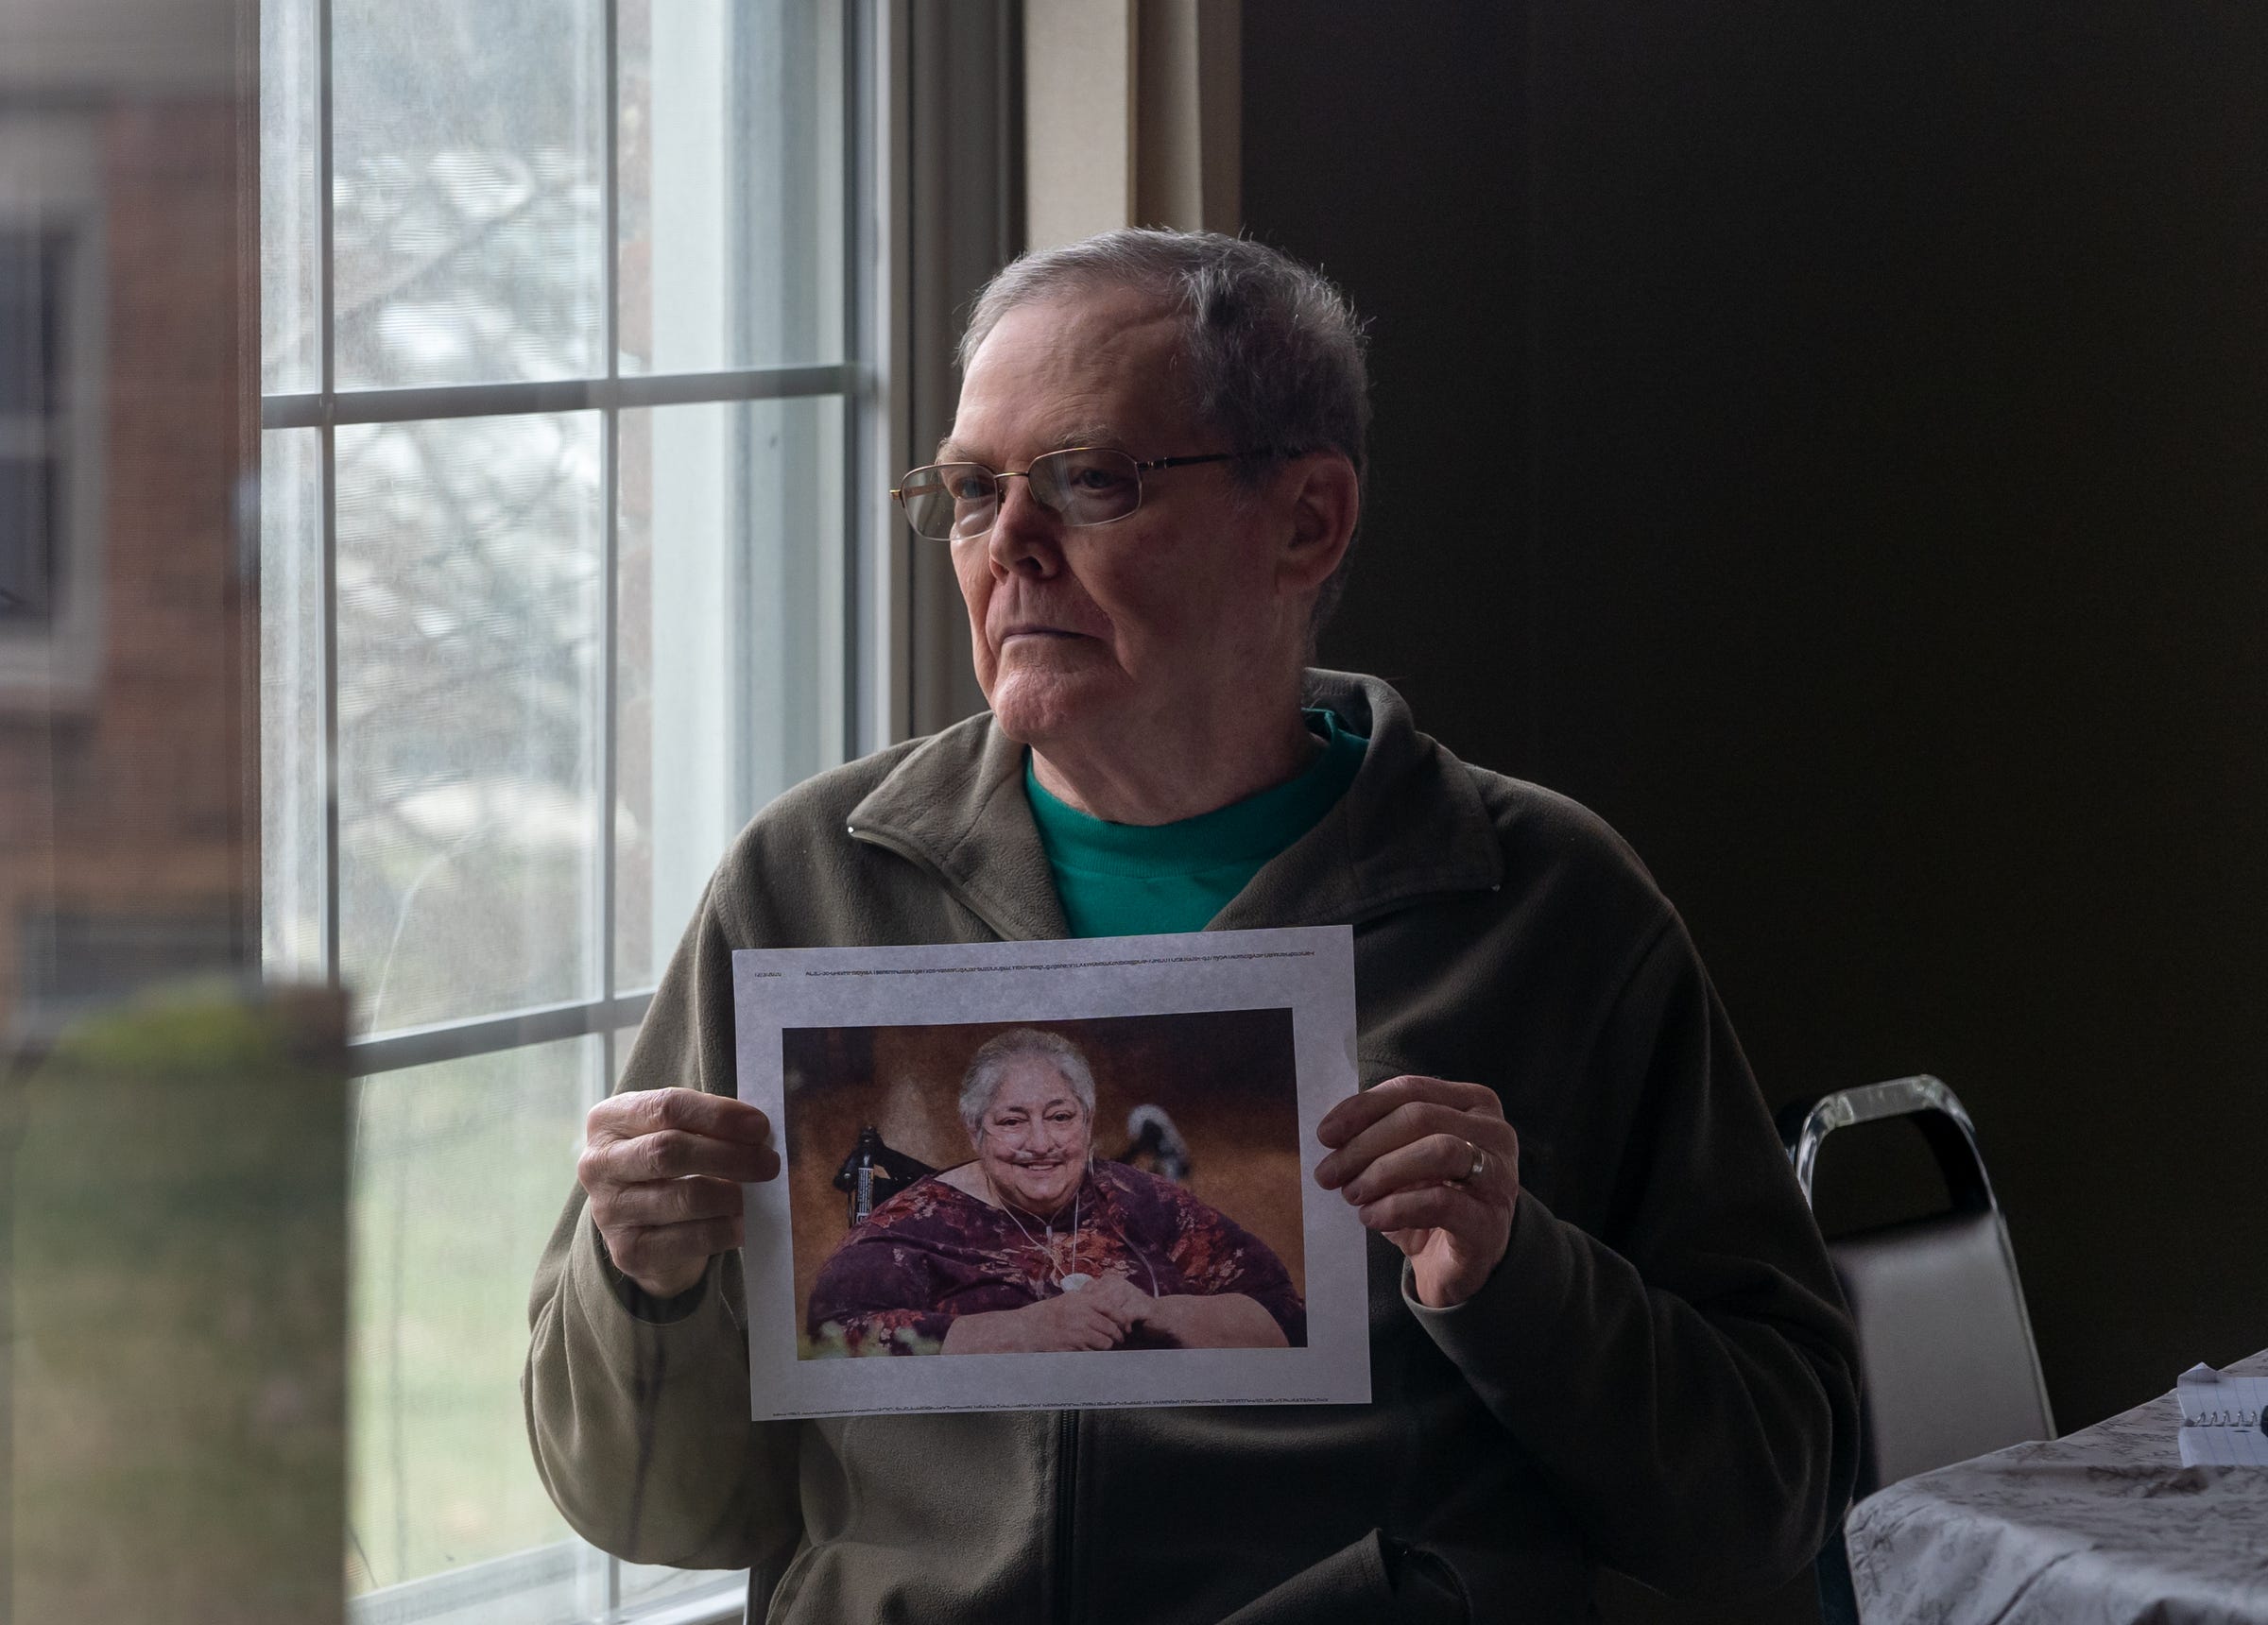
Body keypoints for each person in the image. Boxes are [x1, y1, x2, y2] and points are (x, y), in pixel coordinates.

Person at [526, 229, 1860, 1624]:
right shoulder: (809, 884)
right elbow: (649, 1512)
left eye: (1090, 481)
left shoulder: (1540, 907)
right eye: (974, 493)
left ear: (1308, 521)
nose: (1012, 547)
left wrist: (1518, 1275)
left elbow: (1770, 1495)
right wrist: (648, 1281)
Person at [803, 1027, 1305, 1356]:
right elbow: (834, 1336)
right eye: (1012, 1121)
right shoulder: (911, 1230)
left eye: (1061, 1117)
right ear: (974, 1130)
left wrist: (1159, 1312)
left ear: (1088, 1124)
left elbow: (1282, 1315)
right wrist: (1021, 1331)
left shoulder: (1144, 1201)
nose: (1041, 1144)